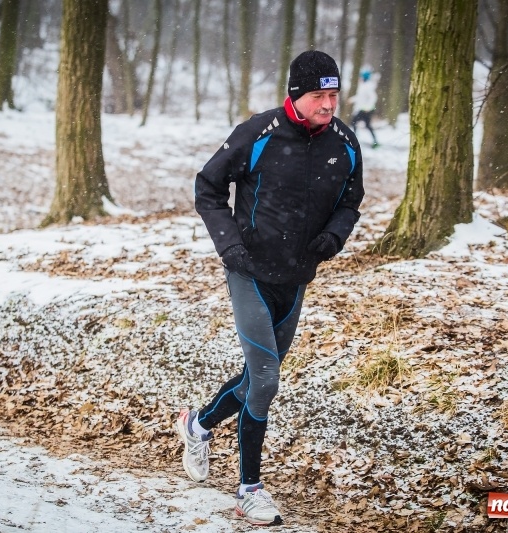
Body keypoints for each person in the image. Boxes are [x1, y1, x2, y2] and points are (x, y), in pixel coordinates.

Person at [176, 50, 364, 525]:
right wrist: (230, 246)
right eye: (318, 95)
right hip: (250, 272)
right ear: (296, 94)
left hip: (297, 277)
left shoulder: (345, 141)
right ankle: (249, 490)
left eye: (333, 95)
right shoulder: (258, 133)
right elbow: (208, 187)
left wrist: (334, 236)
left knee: (254, 379)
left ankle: (197, 425)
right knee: (265, 380)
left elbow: (351, 200)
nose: (328, 104)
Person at [349, 69, 380, 147]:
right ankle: (375, 141)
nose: (360, 78)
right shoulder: (363, 85)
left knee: (355, 121)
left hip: (366, 110)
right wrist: (352, 99)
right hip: (364, 109)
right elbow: (360, 97)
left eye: (361, 76)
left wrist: (368, 108)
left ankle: (355, 140)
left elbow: (373, 97)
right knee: (365, 125)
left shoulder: (368, 86)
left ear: (365, 77)